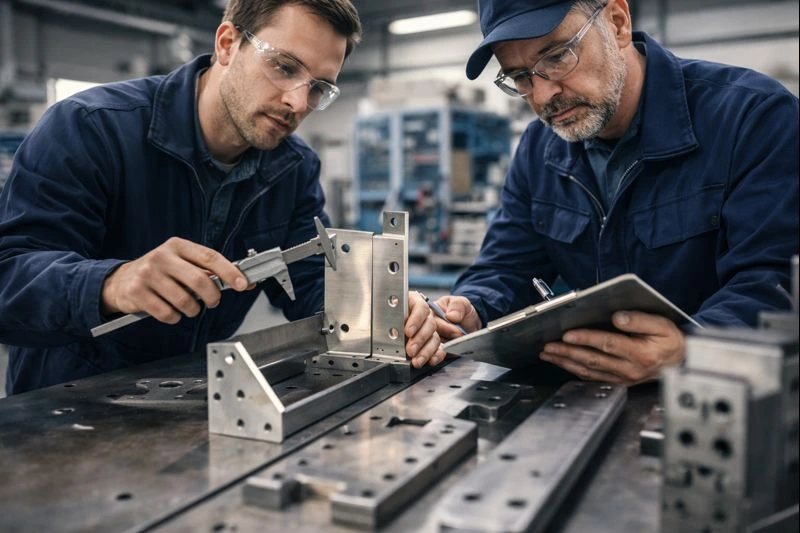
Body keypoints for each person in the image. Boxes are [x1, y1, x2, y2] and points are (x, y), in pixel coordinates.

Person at [0, 0, 444, 395]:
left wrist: (381, 304)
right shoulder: (88, 128)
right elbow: (10, 277)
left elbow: (312, 280)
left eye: (318, 88)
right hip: (65, 405)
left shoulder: (292, 167)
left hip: (190, 399)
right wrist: (112, 283)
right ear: (228, 44)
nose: (296, 102)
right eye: (285, 67)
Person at [434, 0, 799, 384]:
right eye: (521, 77)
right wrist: (470, 308)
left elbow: (775, 280)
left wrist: (690, 350)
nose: (542, 97)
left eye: (557, 56)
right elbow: (506, 268)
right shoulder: (539, 149)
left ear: (618, 22)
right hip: (592, 401)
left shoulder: (754, 119)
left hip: (722, 401)